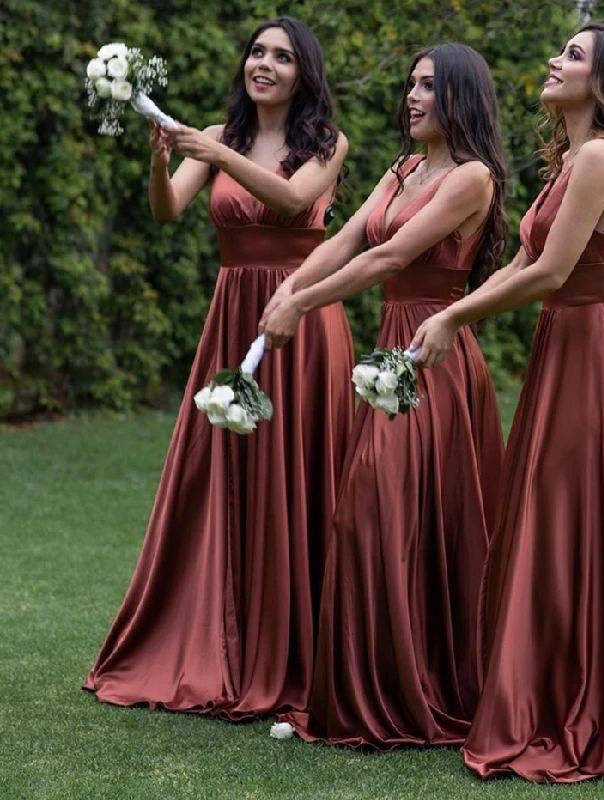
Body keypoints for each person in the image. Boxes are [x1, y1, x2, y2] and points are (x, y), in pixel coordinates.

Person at [411, 23, 604, 782]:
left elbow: (550, 272)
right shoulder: (571, 157)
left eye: (574, 56)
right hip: (567, 347)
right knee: (550, 517)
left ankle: (593, 708)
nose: (555, 59)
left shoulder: (601, 158)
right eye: (561, 50)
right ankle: (552, 693)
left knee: (573, 522)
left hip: (598, 355)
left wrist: (452, 316)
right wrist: (457, 307)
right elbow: (527, 262)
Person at [84, 17, 354, 720]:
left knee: (297, 468)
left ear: (305, 74)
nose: (264, 64)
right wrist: (158, 160)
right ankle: (224, 633)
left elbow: (293, 201)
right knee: (223, 474)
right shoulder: (219, 135)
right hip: (232, 312)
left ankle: (299, 643)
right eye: (258, 52)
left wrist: (211, 152)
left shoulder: (326, 143)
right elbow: (170, 208)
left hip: (302, 313)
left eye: (282, 56)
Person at [259, 43, 506, 748]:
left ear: (462, 96)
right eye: (411, 85)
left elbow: (391, 257)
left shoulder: (470, 178)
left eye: (429, 86)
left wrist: (302, 308)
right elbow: (349, 239)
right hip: (390, 352)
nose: (413, 97)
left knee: (384, 513)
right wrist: (290, 285)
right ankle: (372, 690)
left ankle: (414, 693)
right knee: (372, 515)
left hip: (432, 356)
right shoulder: (403, 169)